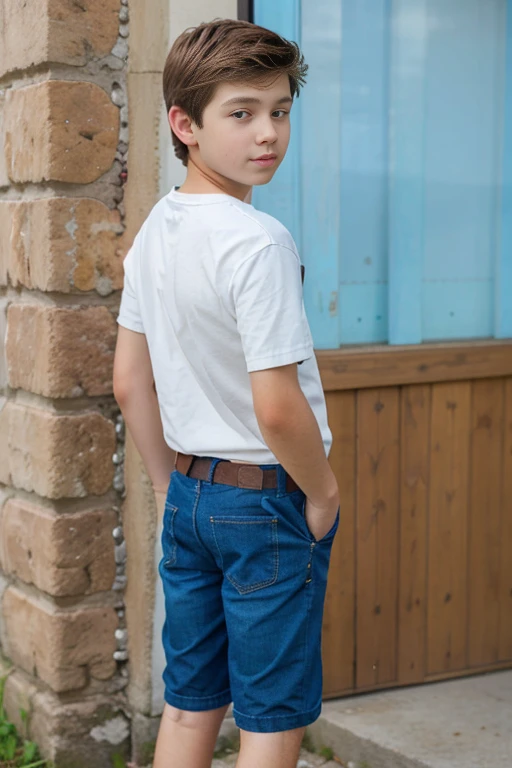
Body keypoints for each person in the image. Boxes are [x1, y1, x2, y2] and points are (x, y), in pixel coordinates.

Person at [113, 18, 340, 768]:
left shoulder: (155, 231)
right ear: (186, 124)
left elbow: (128, 381)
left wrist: (167, 485)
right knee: (270, 719)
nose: (267, 133)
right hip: (266, 497)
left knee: (189, 706)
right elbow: (277, 405)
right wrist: (324, 492)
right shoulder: (257, 241)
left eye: (279, 110)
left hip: (190, 492)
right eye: (241, 113)